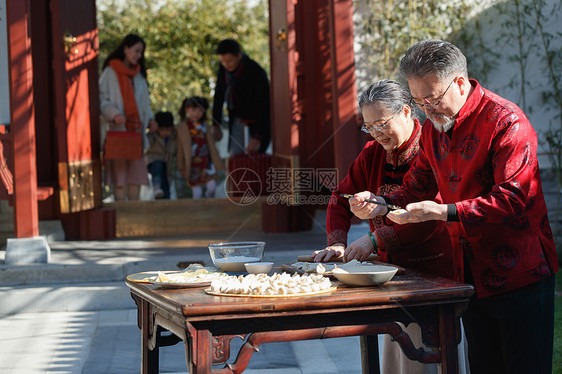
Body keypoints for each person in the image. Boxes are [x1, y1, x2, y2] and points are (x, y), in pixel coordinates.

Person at [352, 39, 558, 374]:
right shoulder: (435, 130)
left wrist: (444, 212)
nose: (426, 110)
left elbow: (515, 199)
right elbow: (416, 186)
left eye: (431, 99)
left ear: (459, 83)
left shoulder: (505, 121)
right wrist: (380, 203)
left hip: (520, 274)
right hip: (470, 275)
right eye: (418, 102)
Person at [311, 80, 468, 374]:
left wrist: (373, 240)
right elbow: (340, 197)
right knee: (397, 355)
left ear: (407, 111)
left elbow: (428, 214)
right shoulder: (372, 153)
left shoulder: (433, 148)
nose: (376, 133)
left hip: (434, 273)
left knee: (432, 355)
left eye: (381, 123)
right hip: (387, 275)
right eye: (368, 127)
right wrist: (337, 242)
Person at [99, 33, 157, 201]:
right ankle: (121, 214)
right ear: (125, 48)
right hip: (118, 133)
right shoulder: (109, 73)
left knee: (135, 176)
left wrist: (151, 119)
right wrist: (113, 113)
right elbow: (101, 99)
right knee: (119, 177)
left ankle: (135, 213)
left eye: (141, 52)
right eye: (136, 51)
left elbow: (145, 104)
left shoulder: (139, 76)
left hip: (136, 134)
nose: (138, 55)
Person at [212, 39, 271, 155]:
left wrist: (258, 137)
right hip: (236, 120)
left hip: (256, 121)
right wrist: (216, 124)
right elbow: (218, 97)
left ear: (239, 56)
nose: (226, 65)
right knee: (235, 156)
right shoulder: (223, 70)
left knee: (255, 157)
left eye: (229, 61)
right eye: (223, 61)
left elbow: (264, 106)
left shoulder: (256, 72)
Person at [177, 96, 225, 199]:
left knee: (212, 188)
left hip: (206, 163)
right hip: (193, 164)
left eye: (200, 111)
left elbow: (212, 146)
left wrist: (219, 163)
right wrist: (181, 167)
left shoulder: (205, 126)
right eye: (194, 110)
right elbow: (181, 149)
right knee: (197, 193)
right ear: (187, 110)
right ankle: (197, 212)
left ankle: (208, 204)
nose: (197, 114)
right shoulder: (183, 127)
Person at [146, 111, 177, 199]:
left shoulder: (174, 137)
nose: (165, 133)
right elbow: (147, 144)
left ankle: (165, 200)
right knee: (157, 169)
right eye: (162, 130)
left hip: (168, 165)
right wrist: (151, 131)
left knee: (166, 186)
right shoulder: (152, 136)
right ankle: (156, 187)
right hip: (154, 162)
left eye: (168, 130)